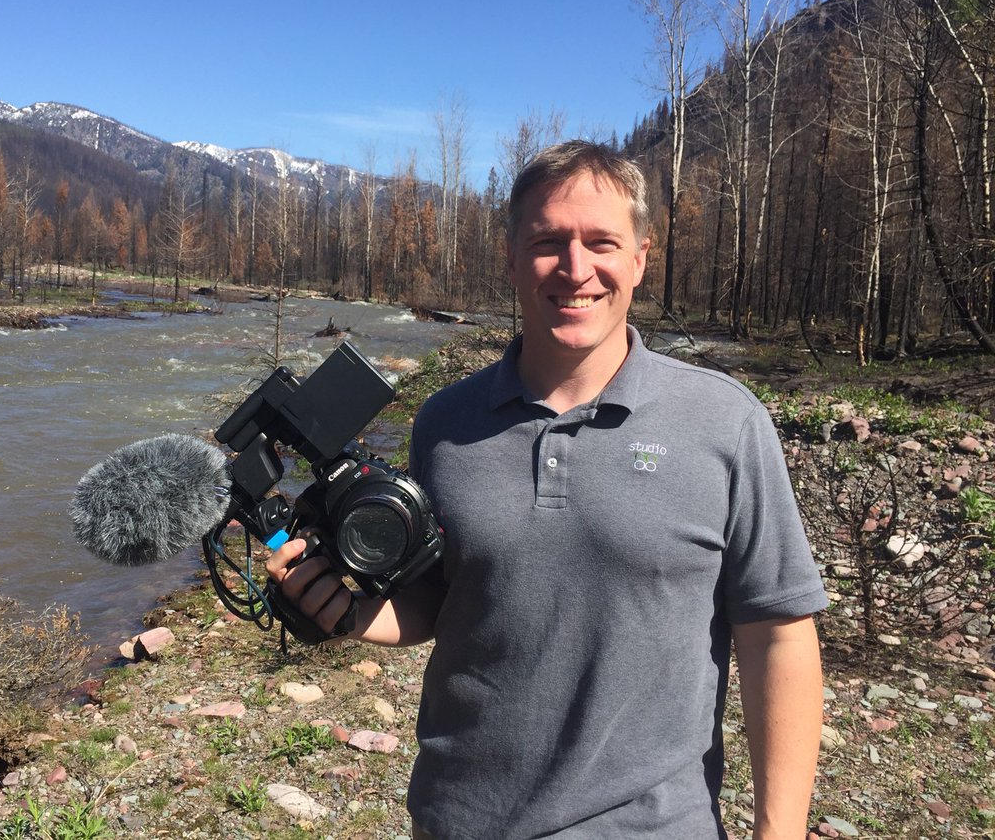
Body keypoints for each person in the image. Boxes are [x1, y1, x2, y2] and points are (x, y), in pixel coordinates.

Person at [267, 140, 827, 839]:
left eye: (601, 242)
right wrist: (346, 614)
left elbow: (778, 634)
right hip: (461, 819)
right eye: (548, 242)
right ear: (509, 259)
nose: (576, 268)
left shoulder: (724, 421)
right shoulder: (445, 422)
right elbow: (439, 602)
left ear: (640, 258)